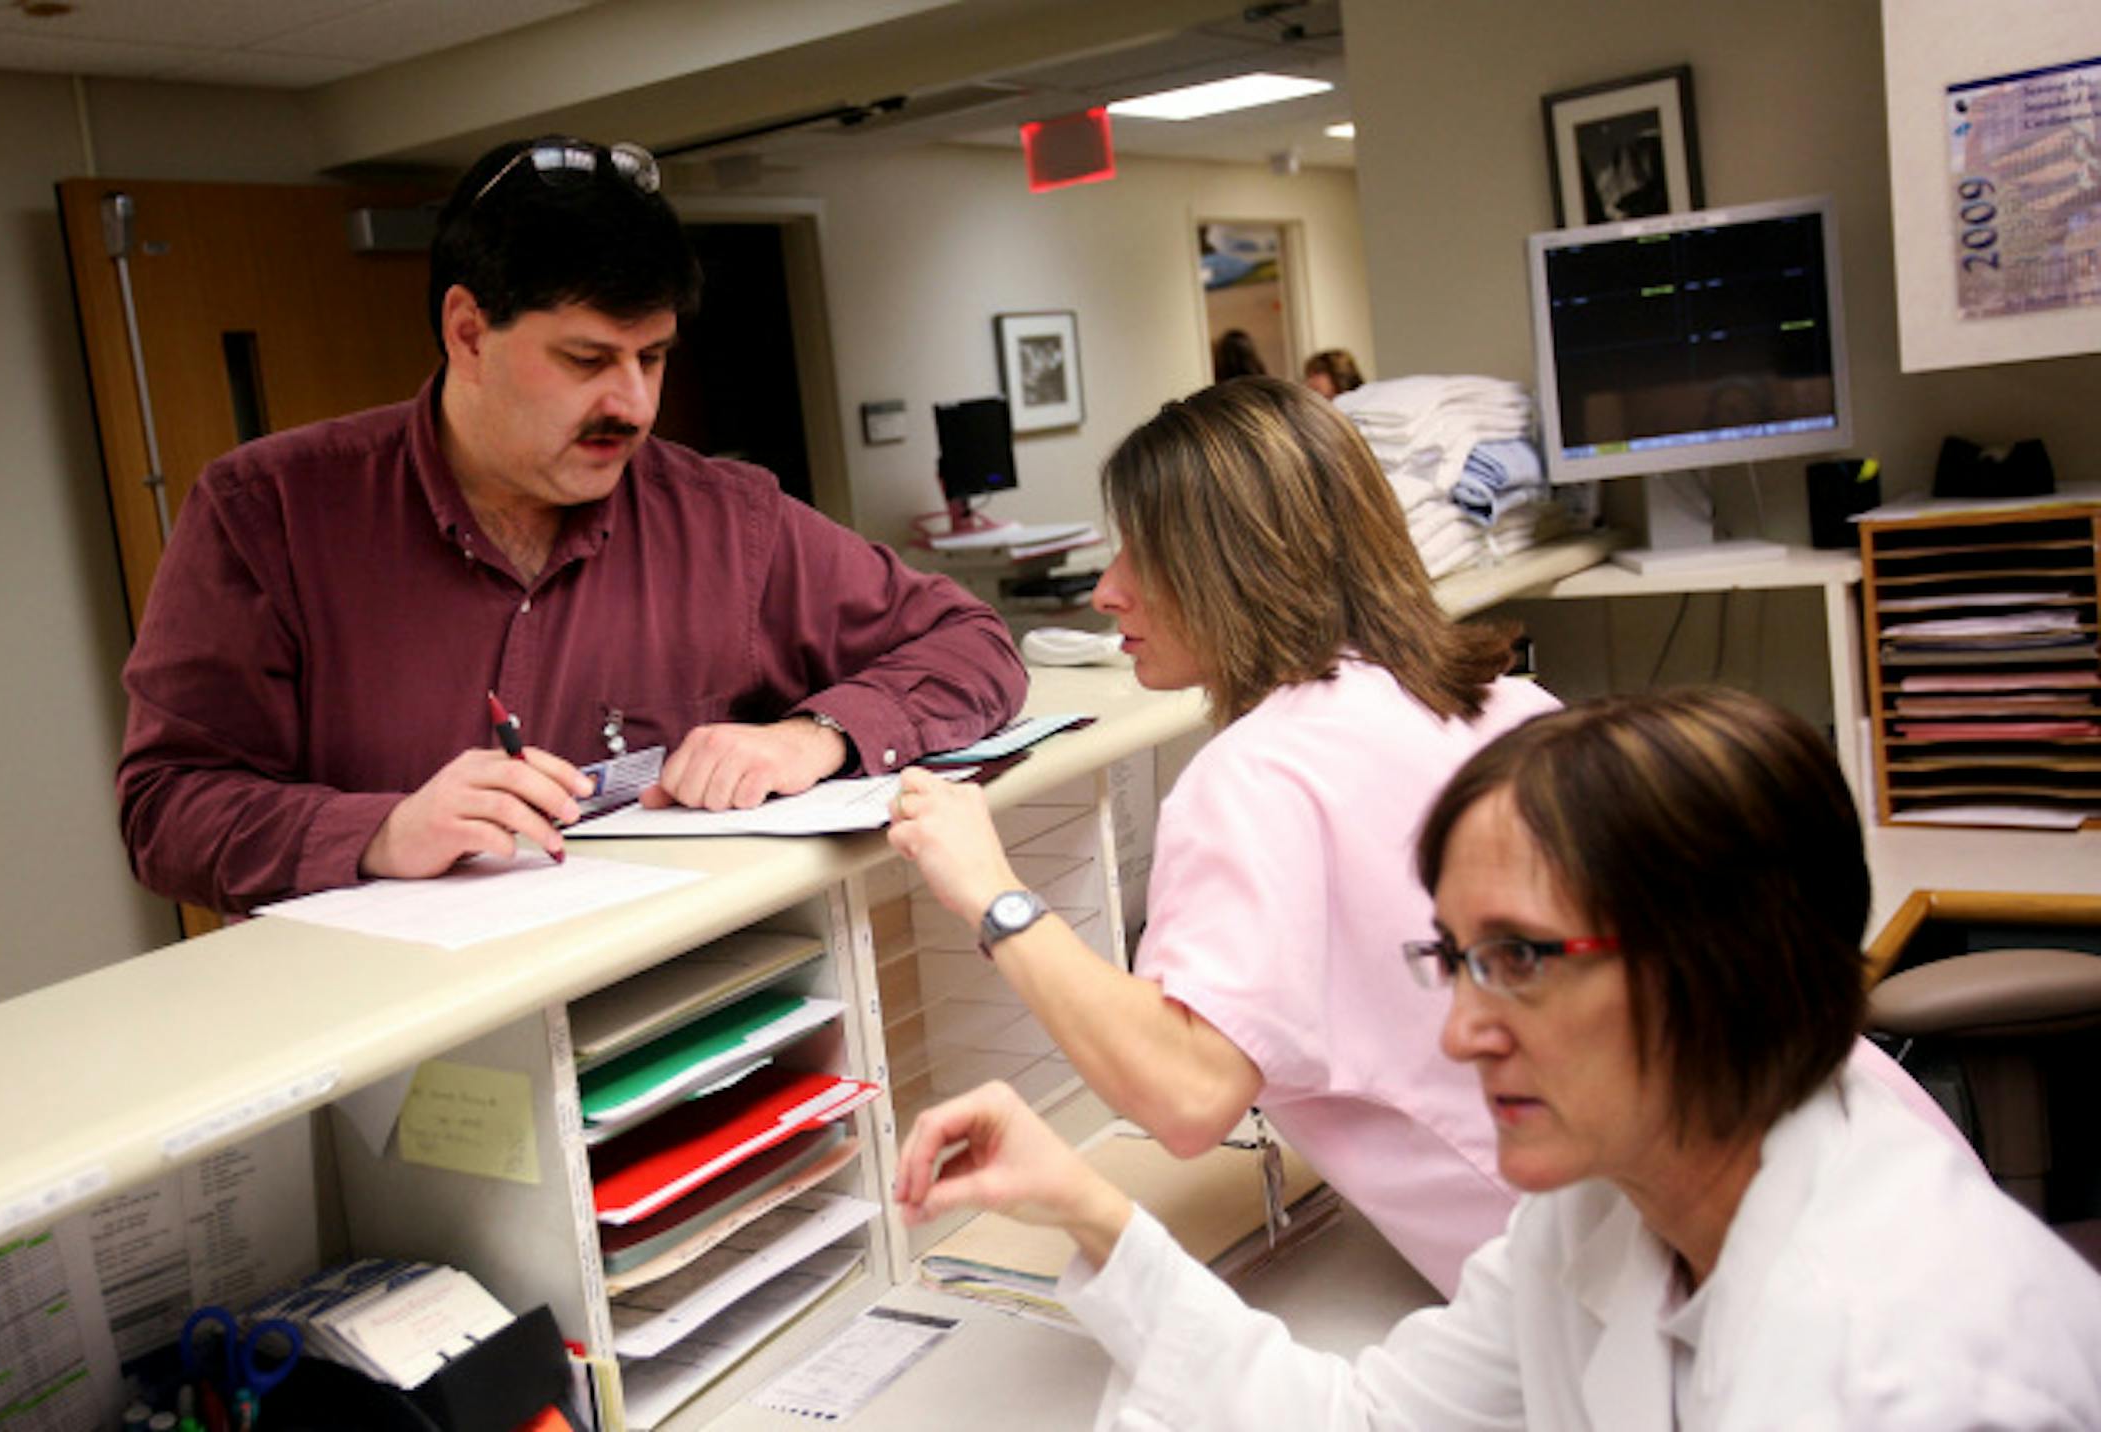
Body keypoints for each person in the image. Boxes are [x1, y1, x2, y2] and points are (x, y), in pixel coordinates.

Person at [895, 688, 2101, 1429]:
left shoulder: (1899, 1374)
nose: (1464, 1031)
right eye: (1458, 958)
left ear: (1721, 962)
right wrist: (1088, 1207)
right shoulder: (1608, 1205)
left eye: (1521, 959)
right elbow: (1365, 1421)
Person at [117, 136, 1025, 913]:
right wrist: (380, 831)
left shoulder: (726, 521)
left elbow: (975, 643)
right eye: (587, 359)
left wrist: (814, 736)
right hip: (388, 1046)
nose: (631, 405)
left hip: (692, 1007)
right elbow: (166, 808)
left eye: (653, 358)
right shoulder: (267, 514)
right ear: (468, 332)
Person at [886, 376, 1558, 1295]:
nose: (1108, 590)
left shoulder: (1259, 772)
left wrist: (989, 891)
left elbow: (1190, 1097)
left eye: (1145, 555)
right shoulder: (1513, 706)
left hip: (1573, 1291)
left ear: (1241, 565)